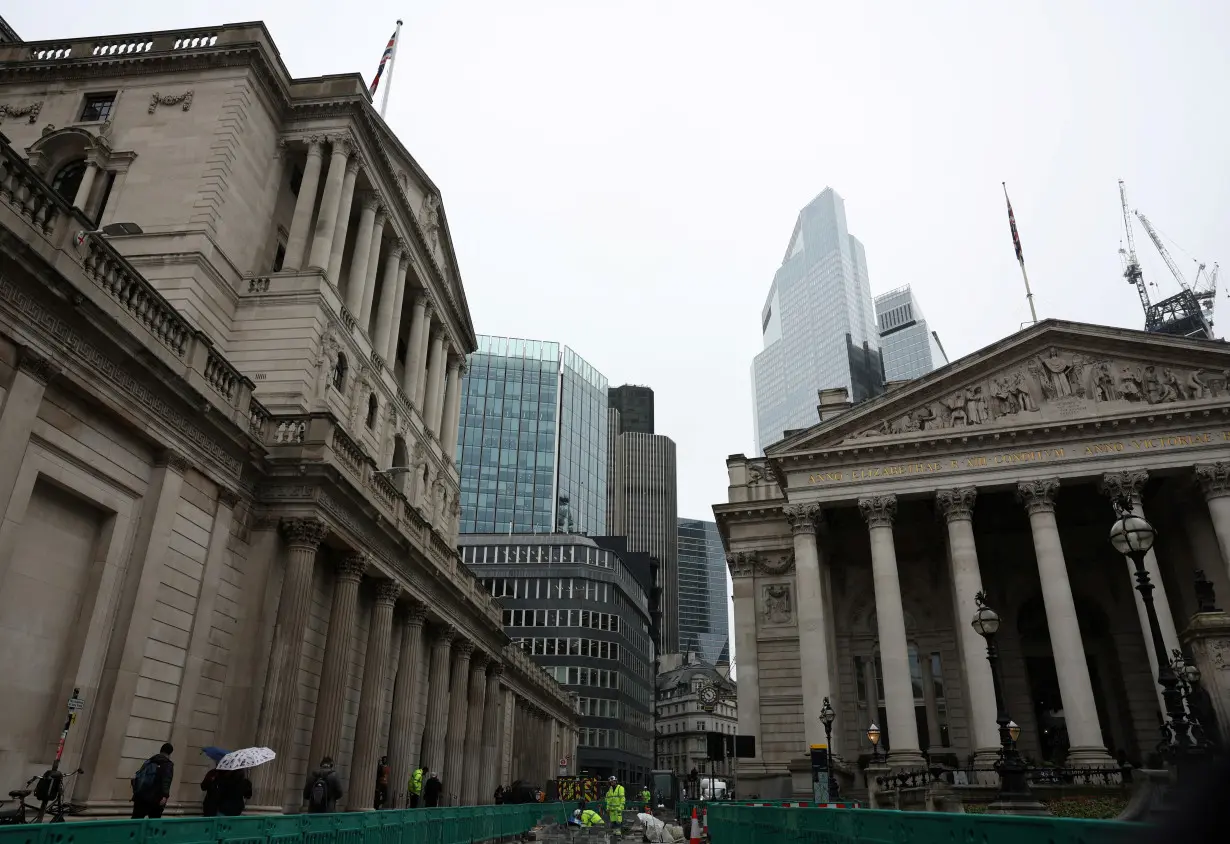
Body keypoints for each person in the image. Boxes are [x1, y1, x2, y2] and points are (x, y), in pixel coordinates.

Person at [131, 742, 175, 819]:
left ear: (161, 750)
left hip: (141, 797)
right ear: (170, 753)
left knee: (136, 820)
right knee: (154, 822)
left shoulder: (149, 761)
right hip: (155, 799)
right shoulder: (168, 764)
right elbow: (166, 781)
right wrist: (165, 796)